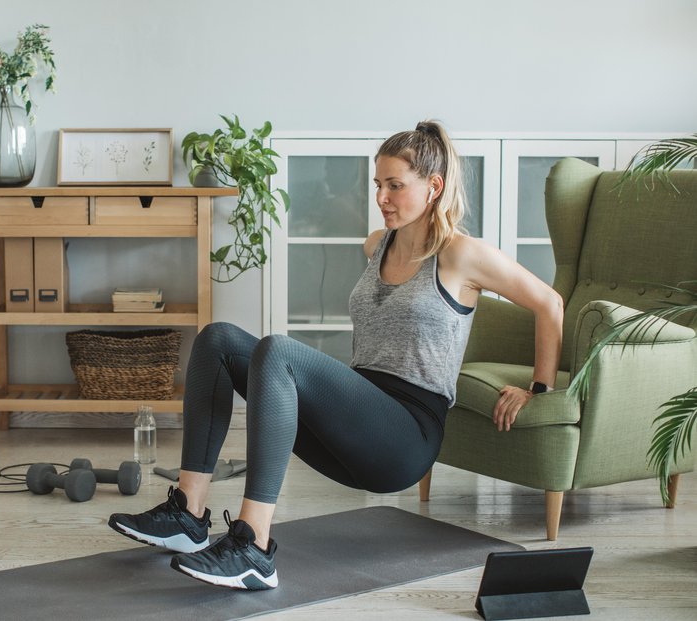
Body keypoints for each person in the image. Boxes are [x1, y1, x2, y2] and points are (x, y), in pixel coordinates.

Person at [108, 120, 564, 590]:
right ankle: (189, 513)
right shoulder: (376, 245)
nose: (382, 197)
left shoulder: (461, 254)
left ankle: (254, 547)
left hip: (405, 436)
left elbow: (550, 303)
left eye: (395, 186)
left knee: (278, 352)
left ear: (434, 186)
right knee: (217, 339)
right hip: (358, 417)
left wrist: (538, 389)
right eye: (377, 185)